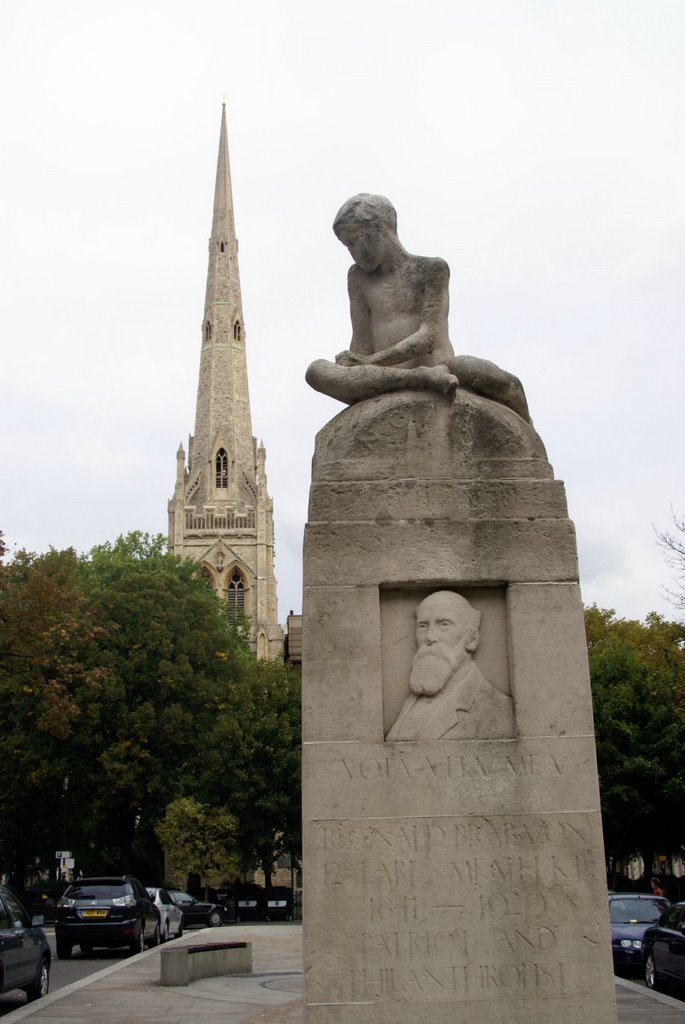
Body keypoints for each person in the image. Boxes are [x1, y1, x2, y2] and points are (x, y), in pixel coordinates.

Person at [306, 193, 530, 421]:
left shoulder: (430, 269)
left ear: (381, 229)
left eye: (355, 241)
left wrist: (370, 362)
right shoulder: (357, 278)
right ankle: (421, 378)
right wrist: (355, 364)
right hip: (384, 376)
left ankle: (526, 425)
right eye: (346, 245)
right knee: (316, 371)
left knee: (479, 371)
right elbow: (362, 343)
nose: (352, 252)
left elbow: (428, 336)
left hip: (440, 366)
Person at [386, 590, 515, 741]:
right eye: (422, 626)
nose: (430, 637)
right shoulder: (413, 699)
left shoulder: (496, 709)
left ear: (472, 639)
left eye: (444, 625)